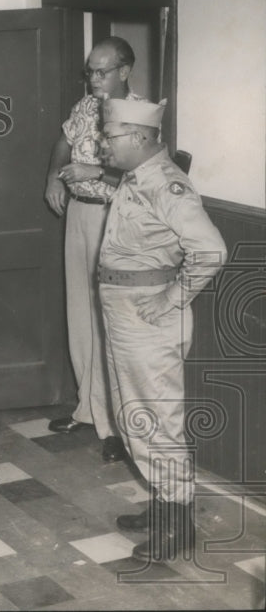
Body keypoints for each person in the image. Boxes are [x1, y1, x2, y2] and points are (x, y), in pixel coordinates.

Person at [97, 98, 226, 561]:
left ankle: (178, 526)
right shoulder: (137, 179)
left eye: (109, 137)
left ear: (137, 137)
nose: (102, 143)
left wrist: (170, 299)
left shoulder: (167, 185)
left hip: (148, 318)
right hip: (125, 311)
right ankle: (163, 506)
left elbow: (210, 250)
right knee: (136, 417)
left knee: (158, 423)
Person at [43, 37, 145, 463]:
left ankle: (118, 428)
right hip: (80, 217)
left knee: (111, 324)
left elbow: (141, 179)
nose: (93, 79)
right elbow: (64, 141)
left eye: (101, 71)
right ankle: (88, 409)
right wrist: (53, 176)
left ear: (124, 70)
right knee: (80, 316)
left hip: (113, 217)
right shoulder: (86, 106)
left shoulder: (141, 116)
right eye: (89, 71)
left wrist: (94, 171)